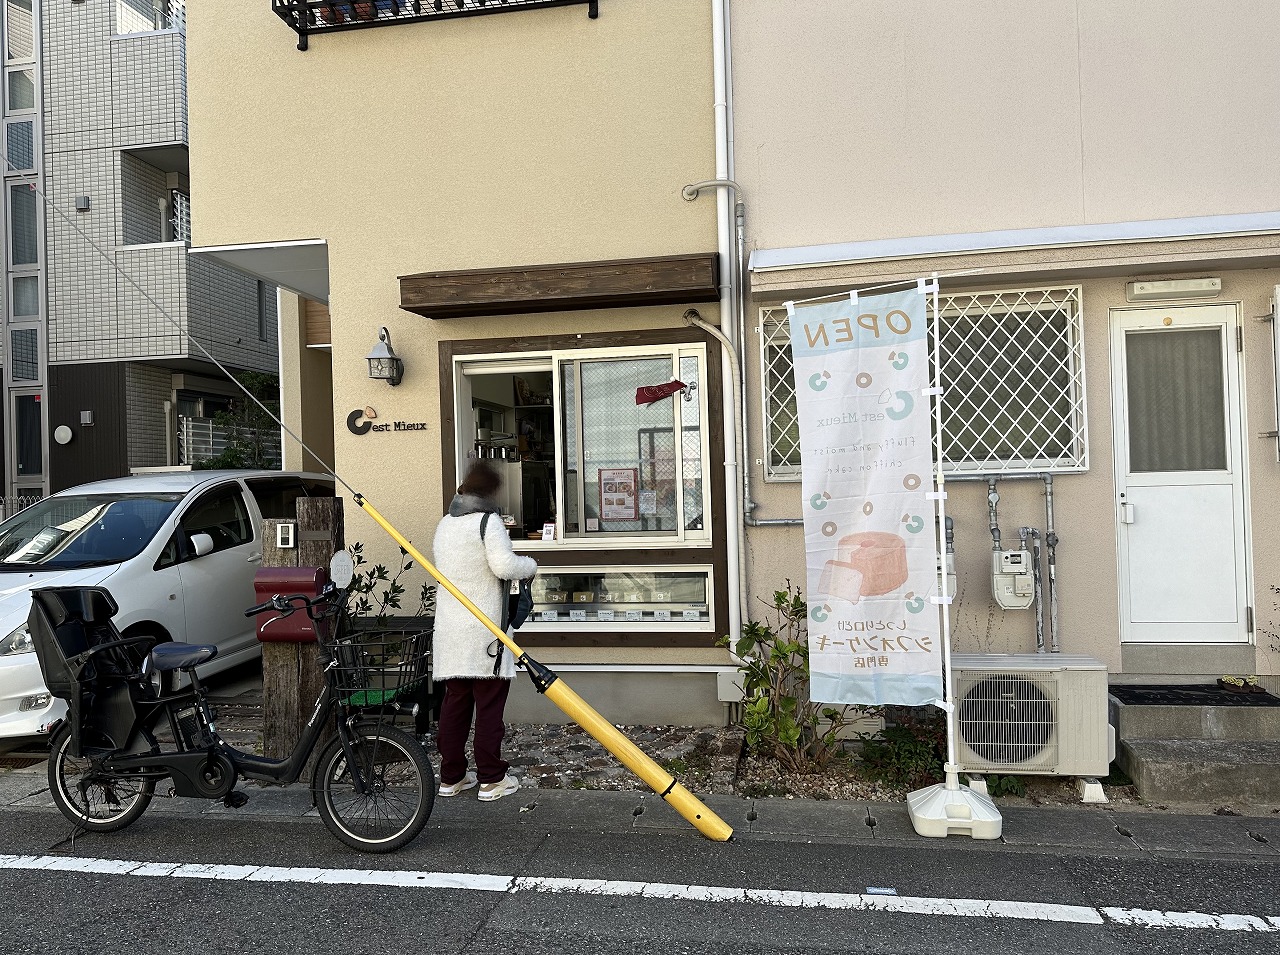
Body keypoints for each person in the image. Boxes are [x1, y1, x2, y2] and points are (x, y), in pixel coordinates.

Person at [431, 461, 537, 801]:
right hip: (486, 630)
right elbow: (504, 566)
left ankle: (451, 777)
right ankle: (491, 779)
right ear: (490, 492)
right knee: (489, 707)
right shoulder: (488, 522)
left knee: (455, 704)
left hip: (451, 630)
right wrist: (531, 565)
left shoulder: (445, 523)